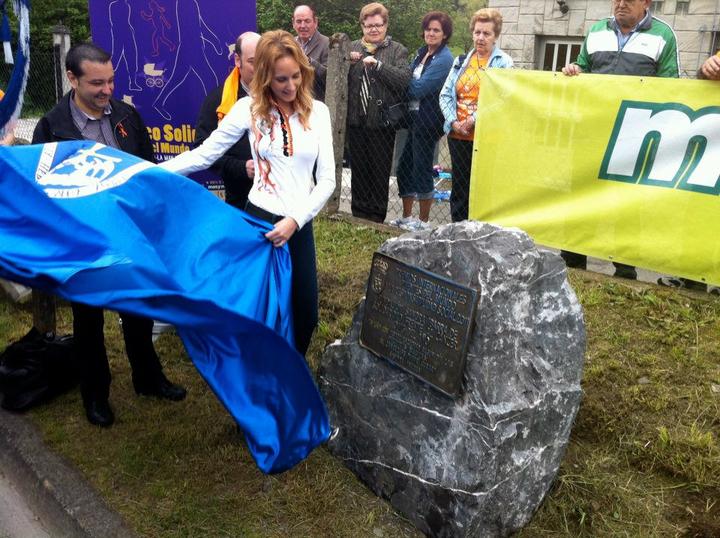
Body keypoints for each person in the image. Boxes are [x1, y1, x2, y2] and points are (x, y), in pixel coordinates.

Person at [32, 42, 187, 428]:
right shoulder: (52, 126)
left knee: (139, 308)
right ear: (72, 79)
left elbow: (148, 171)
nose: (106, 90)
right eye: (97, 83)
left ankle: (148, 379)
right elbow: (42, 190)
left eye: (111, 81)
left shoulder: (127, 116)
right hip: (83, 241)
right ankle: (96, 394)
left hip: (130, 233)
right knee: (89, 321)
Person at [159, 30, 334, 355]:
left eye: (296, 76)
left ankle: (288, 376)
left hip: (297, 224)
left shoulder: (319, 113)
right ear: (265, 77)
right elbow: (203, 155)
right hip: (259, 223)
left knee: (305, 312)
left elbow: (327, 181)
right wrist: (150, 172)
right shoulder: (247, 109)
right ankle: (259, 380)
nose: (291, 86)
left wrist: (295, 220)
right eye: (281, 79)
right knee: (259, 314)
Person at [561, 0, 679, 280]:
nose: (621, 3)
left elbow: (672, 86)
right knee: (581, 194)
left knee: (627, 204)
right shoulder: (596, 30)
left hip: (635, 138)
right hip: (592, 134)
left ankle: (625, 270)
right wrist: (574, 71)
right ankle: (573, 262)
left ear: (646, 3)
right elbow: (583, 68)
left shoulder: (663, 35)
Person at [439, 8, 513, 223]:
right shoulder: (461, 60)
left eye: (486, 33)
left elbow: (501, 99)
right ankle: (457, 232)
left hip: (486, 137)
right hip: (458, 135)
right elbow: (445, 94)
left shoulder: (504, 62)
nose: (480, 38)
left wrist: (472, 120)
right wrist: (453, 121)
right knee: (459, 189)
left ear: (495, 36)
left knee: (483, 191)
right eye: (477, 32)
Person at [347, 2, 411, 223]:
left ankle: (376, 218)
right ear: (362, 26)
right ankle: (358, 215)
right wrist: (347, 61)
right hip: (355, 122)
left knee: (379, 173)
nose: (373, 30)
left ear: (385, 25)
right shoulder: (352, 47)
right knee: (359, 171)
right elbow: (336, 76)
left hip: (382, 124)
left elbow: (404, 80)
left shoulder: (397, 50)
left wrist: (378, 66)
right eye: (368, 26)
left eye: (378, 25)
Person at [391, 11, 453, 232]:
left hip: (428, 121)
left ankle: (424, 222)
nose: (431, 33)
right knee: (404, 166)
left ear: (445, 34)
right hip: (412, 119)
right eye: (428, 29)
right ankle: (407, 217)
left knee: (422, 169)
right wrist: (405, 82)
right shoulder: (421, 53)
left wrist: (402, 82)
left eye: (436, 30)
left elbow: (418, 88)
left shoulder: (445, 59)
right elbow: (410, 82)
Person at [194, 32, 260, 209]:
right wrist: (241, 168)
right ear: (237, 60)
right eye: (253, 62)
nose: (262, 68)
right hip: (240, 199)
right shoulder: (218, 100)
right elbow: (201, 148)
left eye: (265, 60)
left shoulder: (281, 93)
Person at [293, 4, 329, 101]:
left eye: (307, 21)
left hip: (315, 104)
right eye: (299, 21)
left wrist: (309, 61)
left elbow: (329, 78)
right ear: (293, 23)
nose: (303, 25)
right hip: (292, 102)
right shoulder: (290, 43)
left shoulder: (328, 44)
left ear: (315, 22)